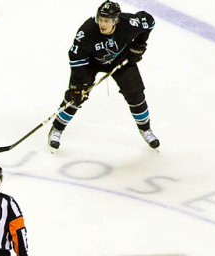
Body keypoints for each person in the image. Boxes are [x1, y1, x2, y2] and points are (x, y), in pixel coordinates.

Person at [48, 1, 160, 151]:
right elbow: (76, 57)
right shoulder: (87, 31)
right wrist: (77, 85)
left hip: (120, 60)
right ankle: (57, 129)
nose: (102, 23)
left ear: (116, 20)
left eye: (106, 20)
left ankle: (145, 129)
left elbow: (149, 21)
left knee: (136, 94)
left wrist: (139, 46)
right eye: (100, 19)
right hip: (90, 63)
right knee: (75, 96)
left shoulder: (129, 24)